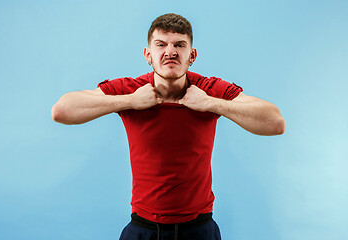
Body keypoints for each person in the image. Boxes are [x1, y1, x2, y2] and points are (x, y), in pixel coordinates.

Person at [51, 13, 286, 240]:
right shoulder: (131, 88)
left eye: (179, 45)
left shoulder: (209, 89)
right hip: (143, 227)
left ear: (192, 55)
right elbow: (61, 111)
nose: (170, 52)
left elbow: (275, 123)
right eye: (161, 44)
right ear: (148, 54)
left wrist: (210, 103)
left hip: (199, 228)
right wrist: (130, 101)